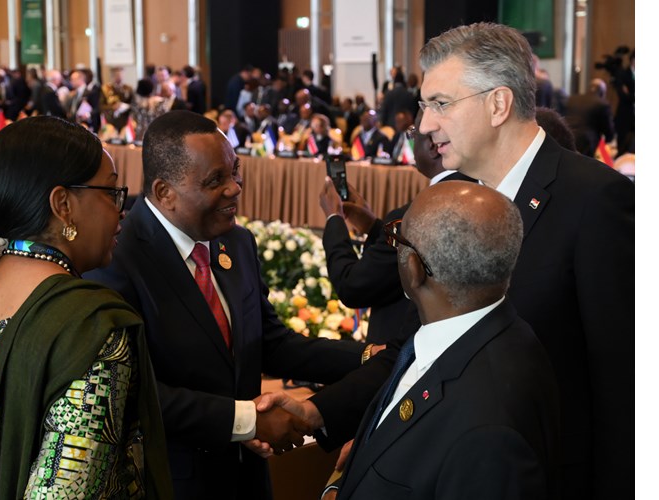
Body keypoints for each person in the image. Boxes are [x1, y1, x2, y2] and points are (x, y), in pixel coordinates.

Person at [262, 22, 633, 500]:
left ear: (498, 104)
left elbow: (625, 390)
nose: (424, 125)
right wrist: (320, 411)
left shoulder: (595, 200)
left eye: (440, 103)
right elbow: (417, 346)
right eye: (424, 105)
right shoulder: (458, 195)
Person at [84, 110, 372, 500]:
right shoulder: (115, 258)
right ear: (165, 192)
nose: (235, 188)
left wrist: (369, 357)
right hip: (173, 484)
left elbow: (270, 344)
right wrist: (247, 421)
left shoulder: (235, 241)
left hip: (249, 479)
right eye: (215, 180)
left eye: (235, 171)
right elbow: (133, 390)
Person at [0, 116, 173, 498]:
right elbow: (70, 485)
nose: (120, 209)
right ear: (63, 205)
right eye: (111, 192)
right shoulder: (91, 329)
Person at [323, 181, 560, 499]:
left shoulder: (489, 435)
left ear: (414, 268)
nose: (394, 244)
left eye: (396, 238)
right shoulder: (482, 334)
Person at [318, 108, 475, 346]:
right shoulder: (476, 194)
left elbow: (352, 286)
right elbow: (390, 266)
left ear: (433, 146)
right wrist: (373, 227)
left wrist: (333, 218)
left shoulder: (413, 216)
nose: (410, 140)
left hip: (398, 352)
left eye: (413, 134)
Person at [563, 78, 615, 156]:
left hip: (567, 136)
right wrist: (608, 139)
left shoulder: (572, 99)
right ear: (602, 92)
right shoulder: (602, 104)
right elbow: (608, 130)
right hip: (586, 142)